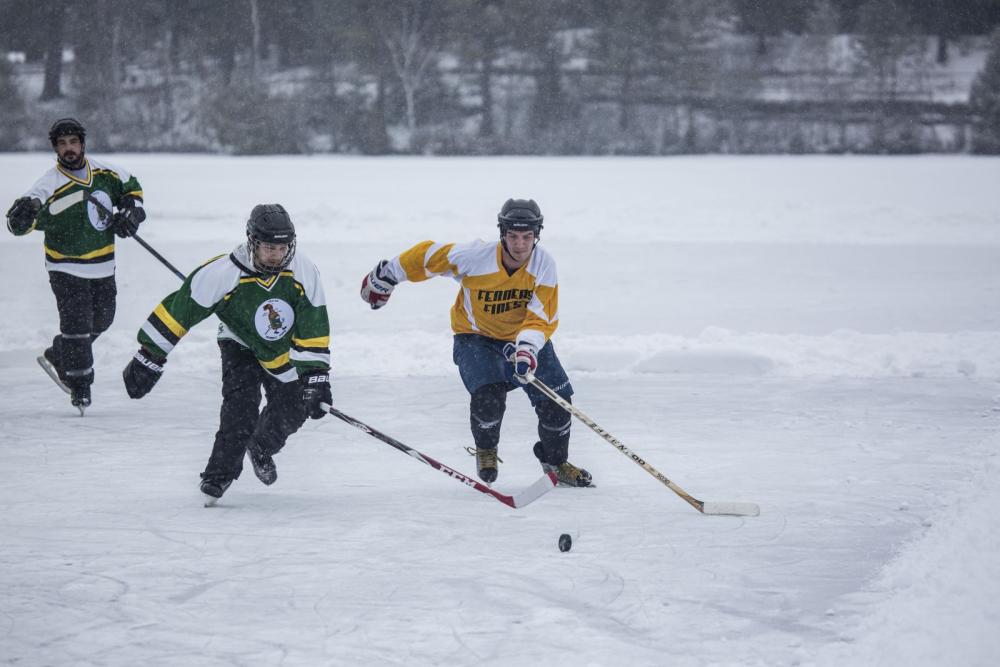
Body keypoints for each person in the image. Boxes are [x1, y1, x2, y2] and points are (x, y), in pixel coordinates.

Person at [360, 198, 592, 487]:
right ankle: (486, 450)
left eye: (527, 237)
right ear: (502, 234)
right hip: (476, 338)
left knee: (558, 403)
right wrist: (387, 274)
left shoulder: (544, 264)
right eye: (513, 236)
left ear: (537, 236)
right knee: (488, 397)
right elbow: (427, 256)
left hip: (526, 340)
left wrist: (526, 348)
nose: (520, 245)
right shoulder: (476, 256)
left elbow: (542, 314)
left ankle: (556, 463)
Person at [121, 204, 332, 503]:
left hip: (281, 352)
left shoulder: (303, 271)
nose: (276, 254)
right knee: (240, 409)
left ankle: (261, 447)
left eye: (282, 247)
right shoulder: (223, 273)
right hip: (240, 346)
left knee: (294, 408)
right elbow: (182, 309)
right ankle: (217, 477)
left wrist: (316, 377)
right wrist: (150, 355)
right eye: (268, 247)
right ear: (252, 242)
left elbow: (313, 323)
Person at [4, 118, 146, 413]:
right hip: (64, 267)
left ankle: (60, 353)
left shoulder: (107, 172)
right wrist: (20, 219)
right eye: (62, 144)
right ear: (56, 148)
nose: (69, 149)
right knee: (78, 326)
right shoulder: (48, 184)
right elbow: (23, 222)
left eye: (73, 142)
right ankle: (80, 386)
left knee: (103, 320)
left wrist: (131, 215)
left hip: (103, 264)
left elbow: (133, 192)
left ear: (83, 143)